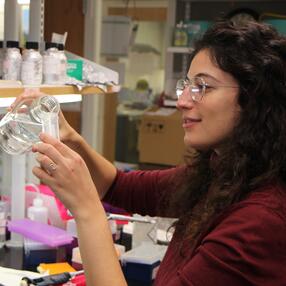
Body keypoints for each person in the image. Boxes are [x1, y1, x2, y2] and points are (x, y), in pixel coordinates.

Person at [13, 20, 286, 285]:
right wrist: (70, 138)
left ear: (255, 100)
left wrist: (86, 210)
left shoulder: (259, 222)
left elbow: (103, 194)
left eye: (202, 86)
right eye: (187, 85)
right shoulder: (221, 175)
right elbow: (118, 186)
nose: (182, 101)